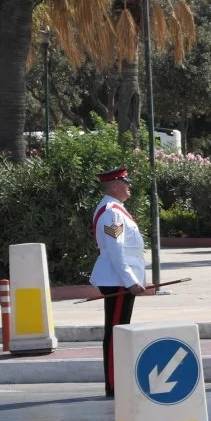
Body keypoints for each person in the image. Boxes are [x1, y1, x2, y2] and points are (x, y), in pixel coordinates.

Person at [90, 167, 147, 399]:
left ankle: (118, 382)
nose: (129, 187)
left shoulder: (115, 210)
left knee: (119, 331)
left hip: (119, 280)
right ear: (114, 185)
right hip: (118, 282)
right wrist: (130, 281)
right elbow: (116, 251)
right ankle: (114, 384)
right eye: (125, 183)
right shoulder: (112, 213)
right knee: (116, 333)